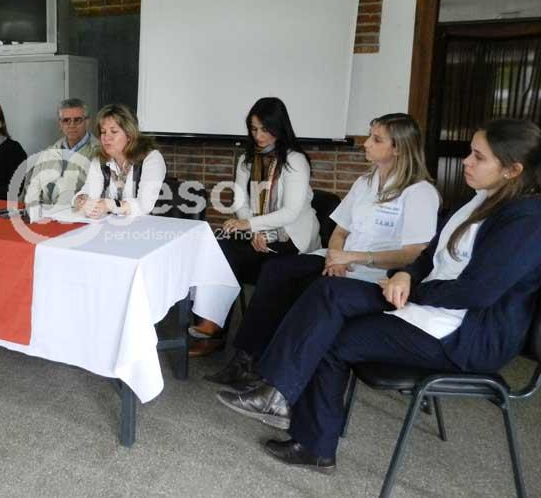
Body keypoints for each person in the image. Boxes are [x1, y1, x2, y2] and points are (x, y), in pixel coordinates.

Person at [217, 118, 541, 475]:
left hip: (467, 335)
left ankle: (305, 433)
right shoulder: (481, 200)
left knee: (331, 333)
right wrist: (407, 275)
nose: (466, 161)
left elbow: (478, 291)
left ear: (512, 170)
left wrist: (411, 287)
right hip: (429, 305)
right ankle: (281, 397)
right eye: (470, 153)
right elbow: (430, 255)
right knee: (328, 294)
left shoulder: (525, 221)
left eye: (478, 157)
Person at [207, 113, 439, 389]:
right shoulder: (365, 182)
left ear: (398, 148)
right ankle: (245, 360)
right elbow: (339, 231)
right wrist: (335, 258)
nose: (366, 143)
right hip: (340, 260)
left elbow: (414, 254)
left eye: (376, 139)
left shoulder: (420, 192)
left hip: (375, 273)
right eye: (369, 136)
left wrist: (352, 258)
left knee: (305, 288)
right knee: (276, 270)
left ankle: (270, 374)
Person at [189, 97, 321, 356]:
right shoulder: (246, 160)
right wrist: (254, 231)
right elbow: (241, 202)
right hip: (258, 231)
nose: (258, 136)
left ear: (279, 127)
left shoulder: (295, 160)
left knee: (263, 264)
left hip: (292, 237)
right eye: (253, 129)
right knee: (218, 247)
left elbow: (291, 212)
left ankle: (242, 345)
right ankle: (211, 325)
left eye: (265, 129)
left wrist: (250, 225)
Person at [74, 103, 165, 218]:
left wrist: (110, 205)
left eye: (114, 131)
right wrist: (82, 200)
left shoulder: (152, 159)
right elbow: (90, 192)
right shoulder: (99, 160)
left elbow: (144, 206)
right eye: (103, 132)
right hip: (113, 225)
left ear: (129, 135)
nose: (106, 138)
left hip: (152, 225)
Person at [24, 98, 100, 209]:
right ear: (60, 124)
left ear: (87, 122)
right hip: (44, 214)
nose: (71, 125)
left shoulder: (100, 152)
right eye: (66, 120)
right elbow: (32, 187)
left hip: (77, 215)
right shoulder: (49, 153)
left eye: (77, 120)